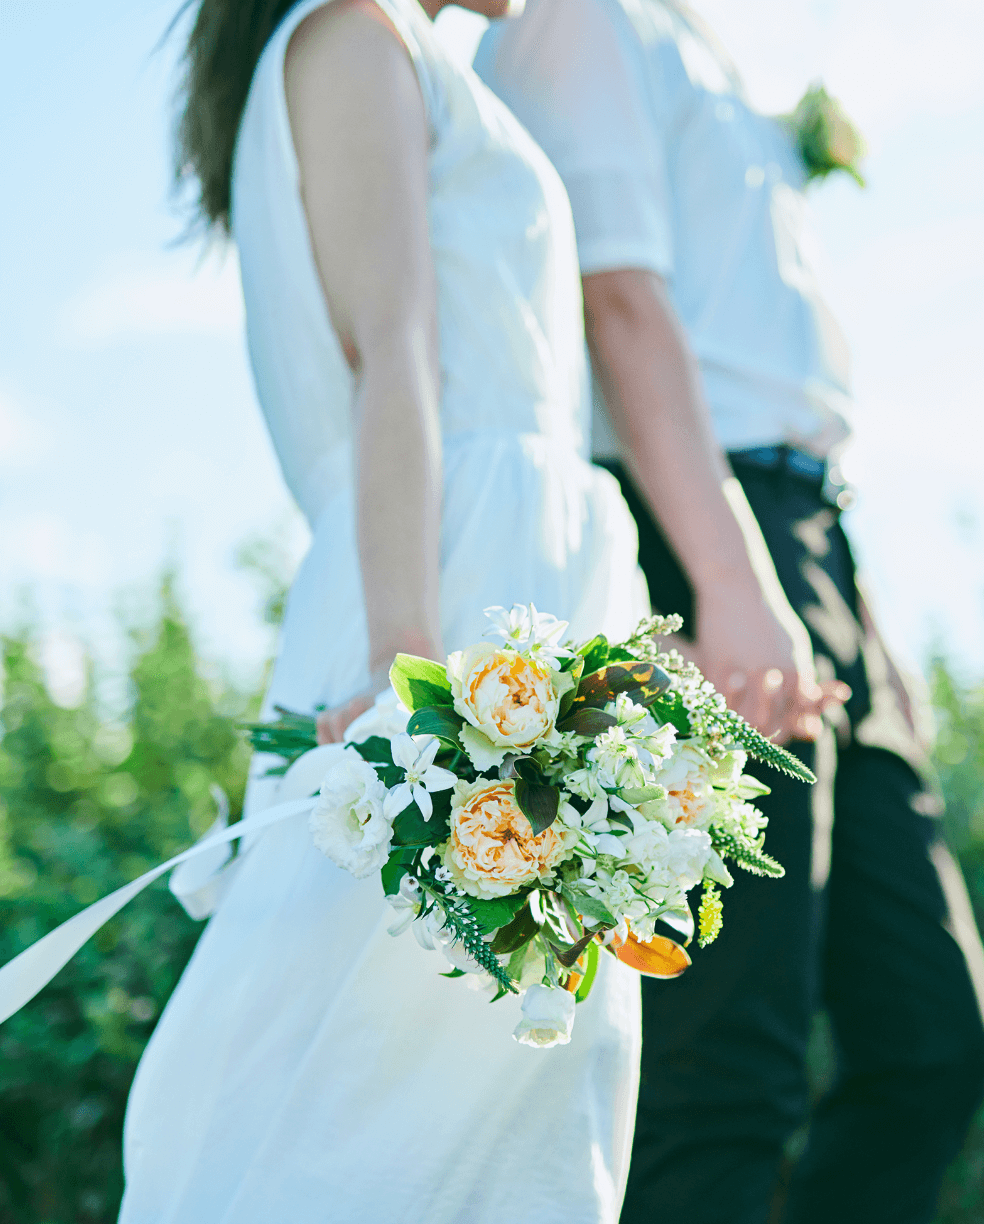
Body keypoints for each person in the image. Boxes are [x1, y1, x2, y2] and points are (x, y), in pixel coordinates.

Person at [115, 0, 652, 1220]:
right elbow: (391, 351)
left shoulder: (393, 47)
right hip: (448, 583)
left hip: (514, 572)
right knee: (376, 1081)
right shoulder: (353, 35)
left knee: (493, 1073)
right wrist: (411, 679)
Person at [475, 2, 984, 1221]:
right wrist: (733, 585)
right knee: (724, 1058)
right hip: (699, 531)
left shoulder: (690, 36)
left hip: (807, 542)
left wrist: (844, 608)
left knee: (931, 1034)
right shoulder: (579, 19)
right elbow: (621, 301)